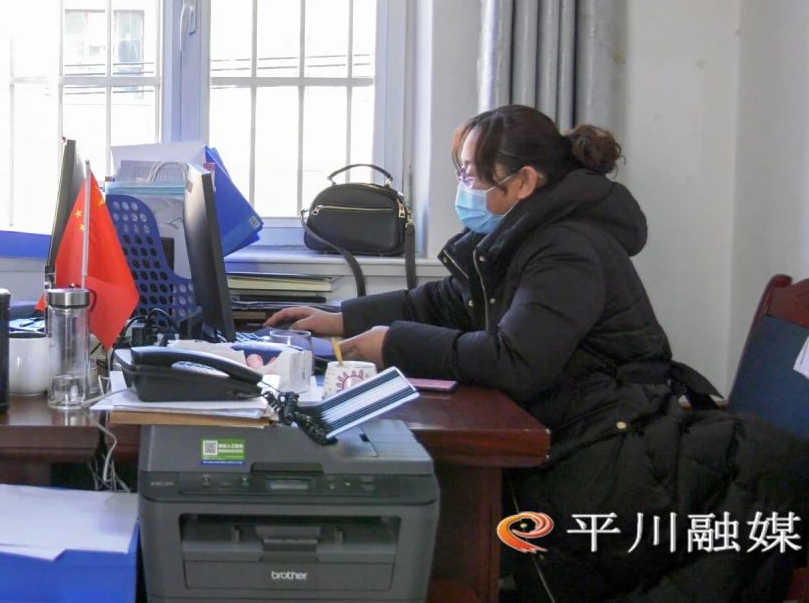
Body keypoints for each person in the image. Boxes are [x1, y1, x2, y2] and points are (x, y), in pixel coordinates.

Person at [268, 104, 808, 602]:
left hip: (608, 444)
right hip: (579, 426)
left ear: (524, 182)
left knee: (447, 491)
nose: (463, 189)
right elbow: (449, 301)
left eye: (472, 176)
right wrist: (345, 317)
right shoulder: (523, 237)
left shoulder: (566, 247)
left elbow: (515, 362)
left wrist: (393, 343)